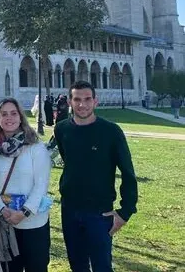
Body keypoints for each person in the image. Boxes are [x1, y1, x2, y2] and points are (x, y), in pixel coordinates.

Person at [55, 81, 138, 272]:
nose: (82, 104)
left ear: (95, 102)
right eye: (77, 99)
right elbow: (69, 160)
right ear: (70, 102)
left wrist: (125, 211)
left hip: (99, 213)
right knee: (77, 265)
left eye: (87, 99)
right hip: (69, 209)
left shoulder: (111, 132)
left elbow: (127, 172)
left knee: (102, 266)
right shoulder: (62, 129)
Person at [0, 98, 52, 272]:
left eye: (13, 113)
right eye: (4, 114)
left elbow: (41, 185)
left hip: (33, 222)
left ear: (21, 117)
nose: (9, 118)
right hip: (5, 222)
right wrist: (2, 210)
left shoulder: (35, 148)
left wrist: (24, 212)